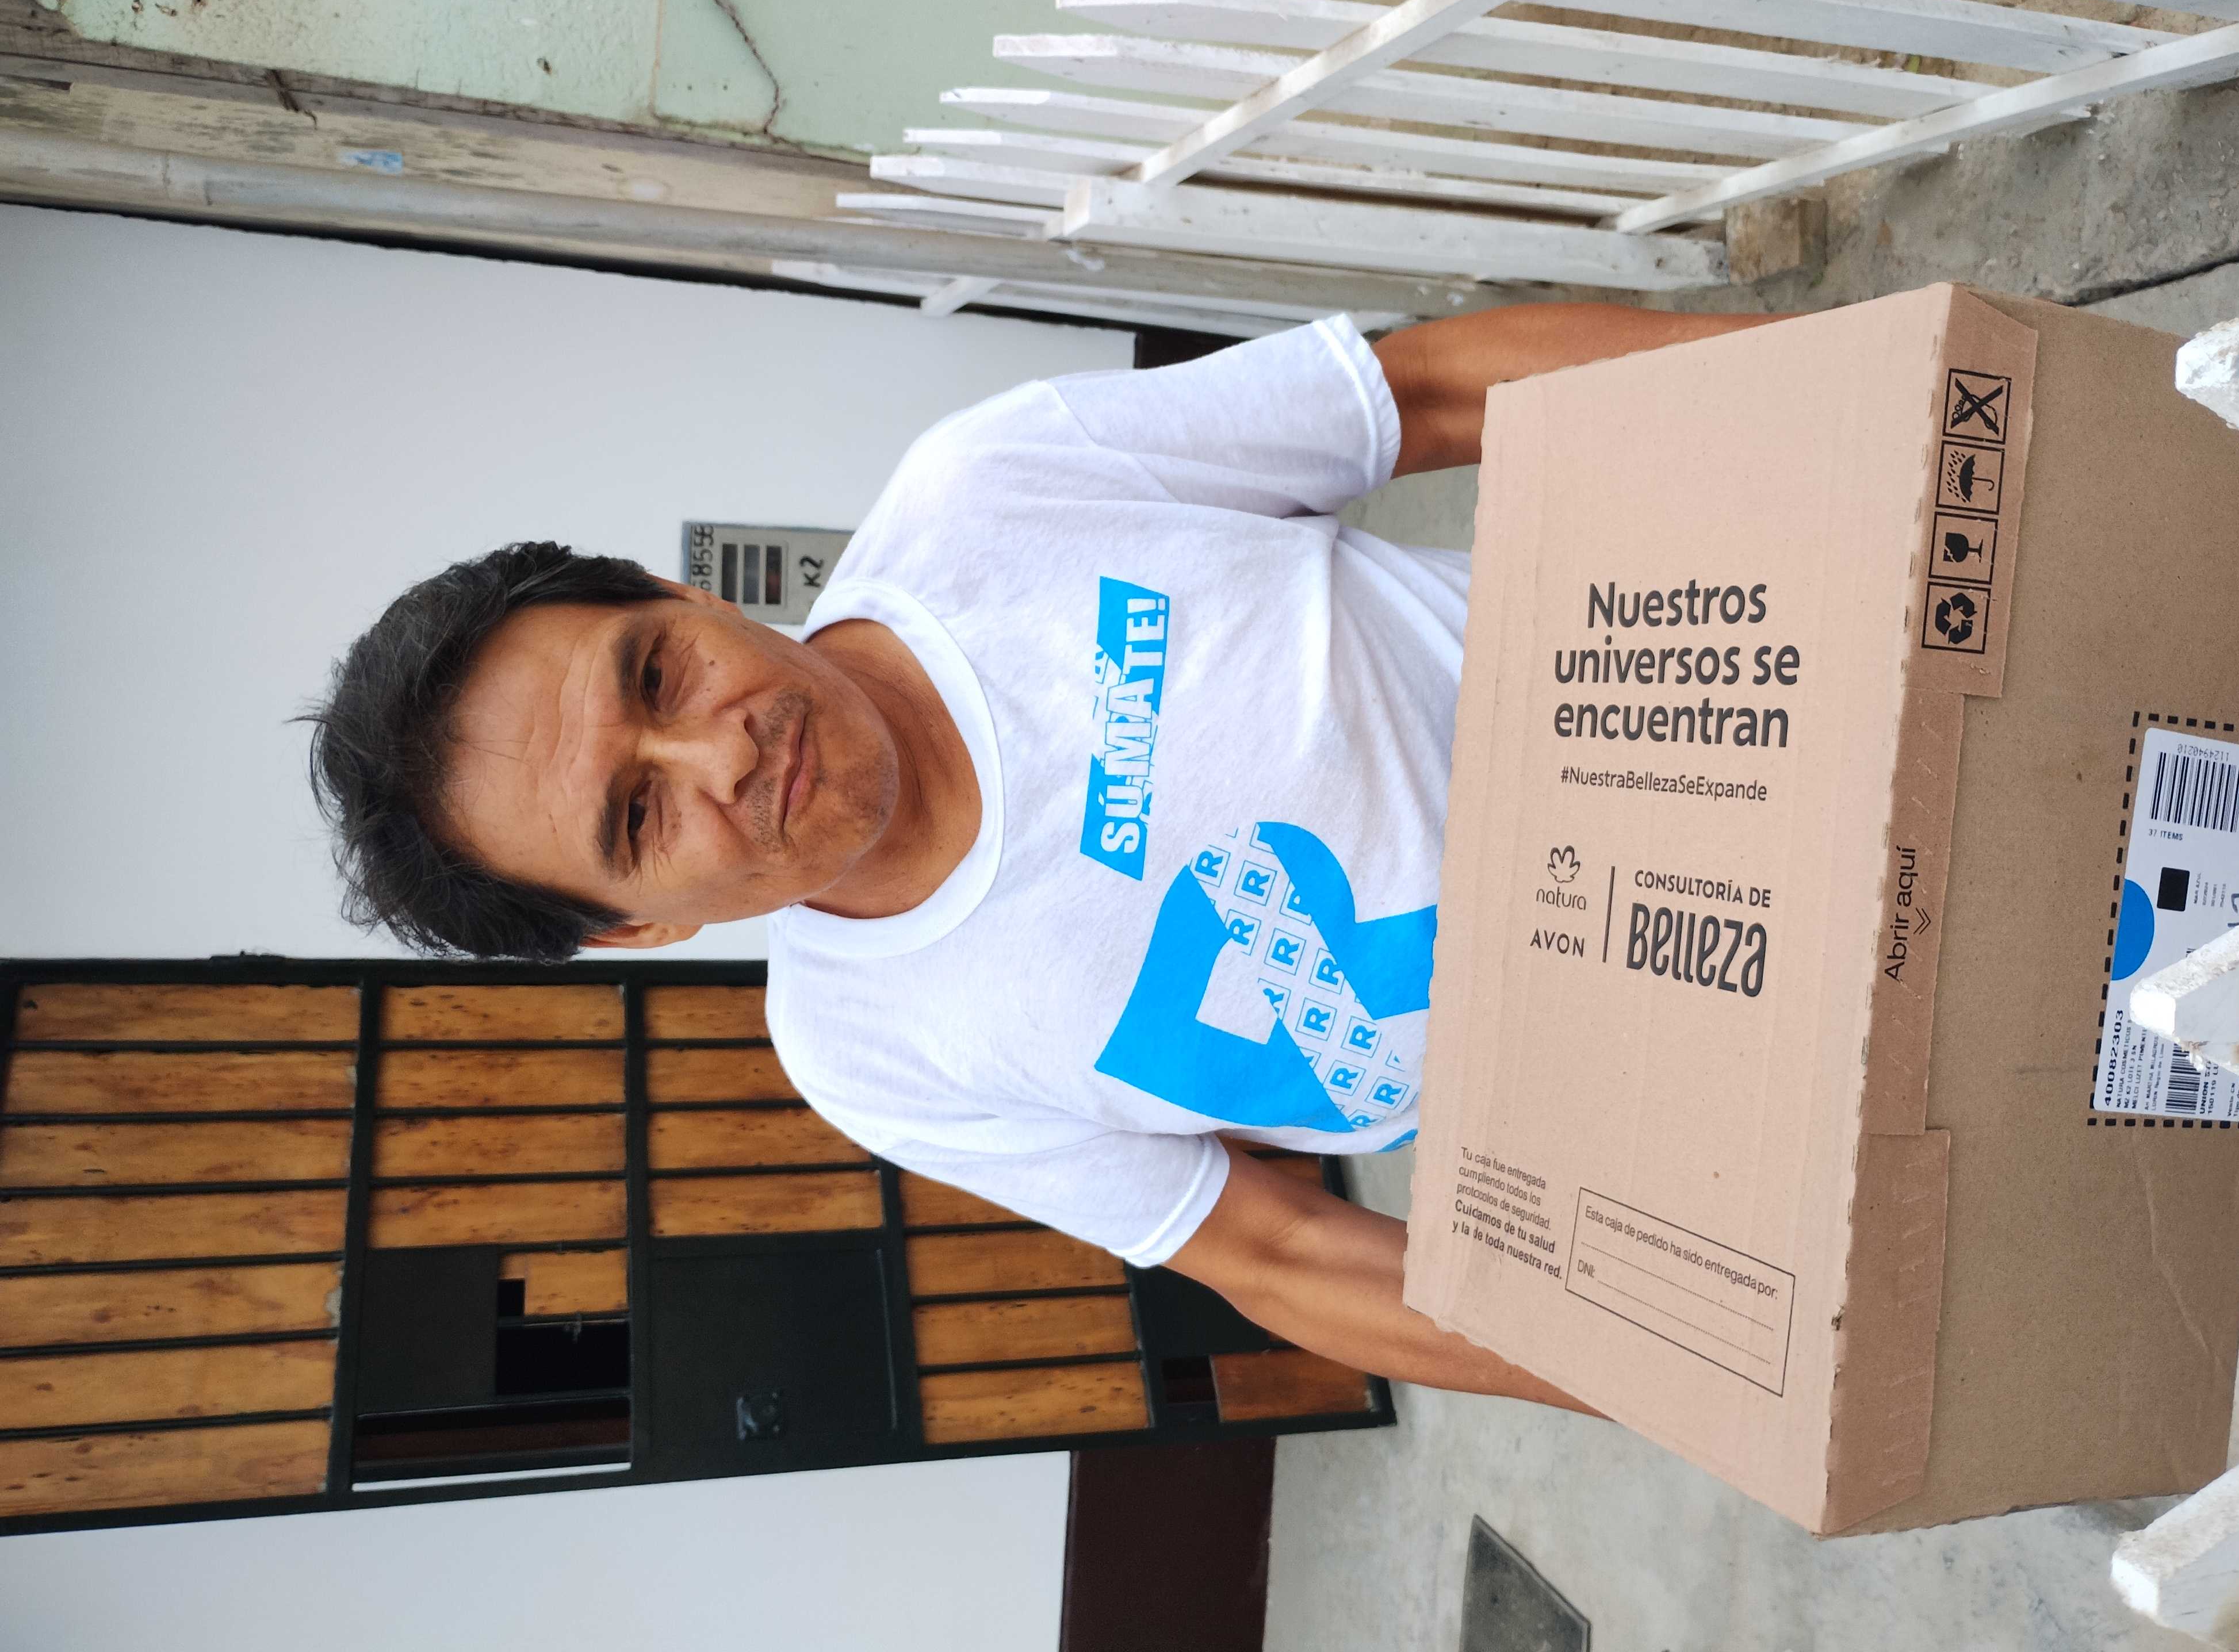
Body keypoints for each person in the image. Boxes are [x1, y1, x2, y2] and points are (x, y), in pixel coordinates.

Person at [309, 301, 1776, 1412]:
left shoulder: (992, 487)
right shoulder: (865, 1055)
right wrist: (1694, 1372)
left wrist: (1845, 400)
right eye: (639, 817)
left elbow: (1427, 391)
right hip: (1705, 1090)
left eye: (658, 672)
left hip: (1762, 720)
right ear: (635, 929)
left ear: (681, 593)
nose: (722, 752)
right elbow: (1271, 1253)